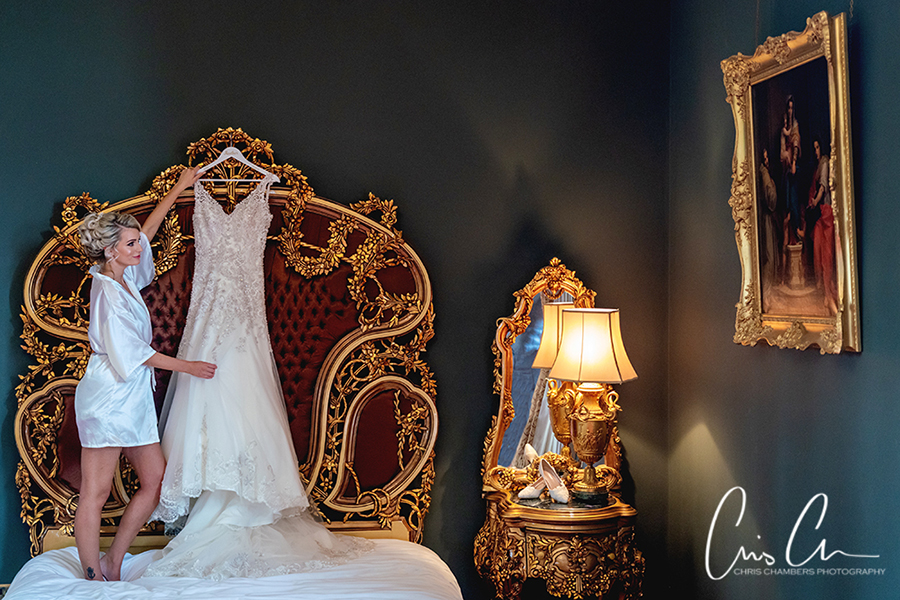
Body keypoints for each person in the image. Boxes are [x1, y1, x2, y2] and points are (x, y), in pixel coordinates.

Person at [145, 165, 370, 579]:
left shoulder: (263, 192)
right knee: (207, 404)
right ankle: (212, 506)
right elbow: (143, 241)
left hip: (247, 330)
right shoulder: (200, 201)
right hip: (207, 326)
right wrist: (182, 187)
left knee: (244, 401)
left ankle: (246, 504)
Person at [73, 167, 217, 582]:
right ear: (110, 252)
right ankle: (91, 576)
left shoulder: (124, 275)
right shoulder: (105, 292)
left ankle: (114, 561)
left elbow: (146, 232)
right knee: (95, 492)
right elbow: (137, 355)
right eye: (131, 244)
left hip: (131, 398)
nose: (140, 247)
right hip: (107, 396)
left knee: (155, 481)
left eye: (137, 243)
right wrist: (188, 367)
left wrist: (178, 188)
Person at [809, 137, 838, 314]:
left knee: (826, 255)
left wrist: (814, 202)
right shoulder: (818, 166)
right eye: (814, 148)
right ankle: (824, 292)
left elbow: (822, 188)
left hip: (826, 213)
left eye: (817, 147)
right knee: (819, 250)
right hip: (821, 214)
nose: (816, 152)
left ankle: (829, 294)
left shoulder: (825, 163)